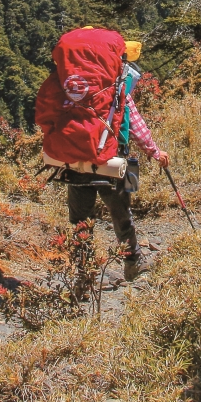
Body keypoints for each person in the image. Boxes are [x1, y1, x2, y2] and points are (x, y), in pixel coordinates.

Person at [34, 27, 170, 282]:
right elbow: (137, 126)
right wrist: (155, 152)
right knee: (122, 215)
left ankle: (83, 273)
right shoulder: (114, 89)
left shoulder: (65, 88)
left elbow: (45, 117)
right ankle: (133, 263)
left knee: (80, 221)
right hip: (115, 161)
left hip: (76, 164)